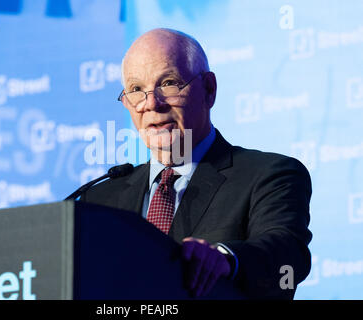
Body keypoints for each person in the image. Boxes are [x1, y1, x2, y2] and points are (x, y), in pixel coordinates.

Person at [81, 28, 312, 299]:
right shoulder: (99, 198)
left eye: (168, 83)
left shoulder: (269, 175)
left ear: (209, 90)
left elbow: (286, 256)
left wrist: (226, 259)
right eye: (135, 89)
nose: (152, 103)